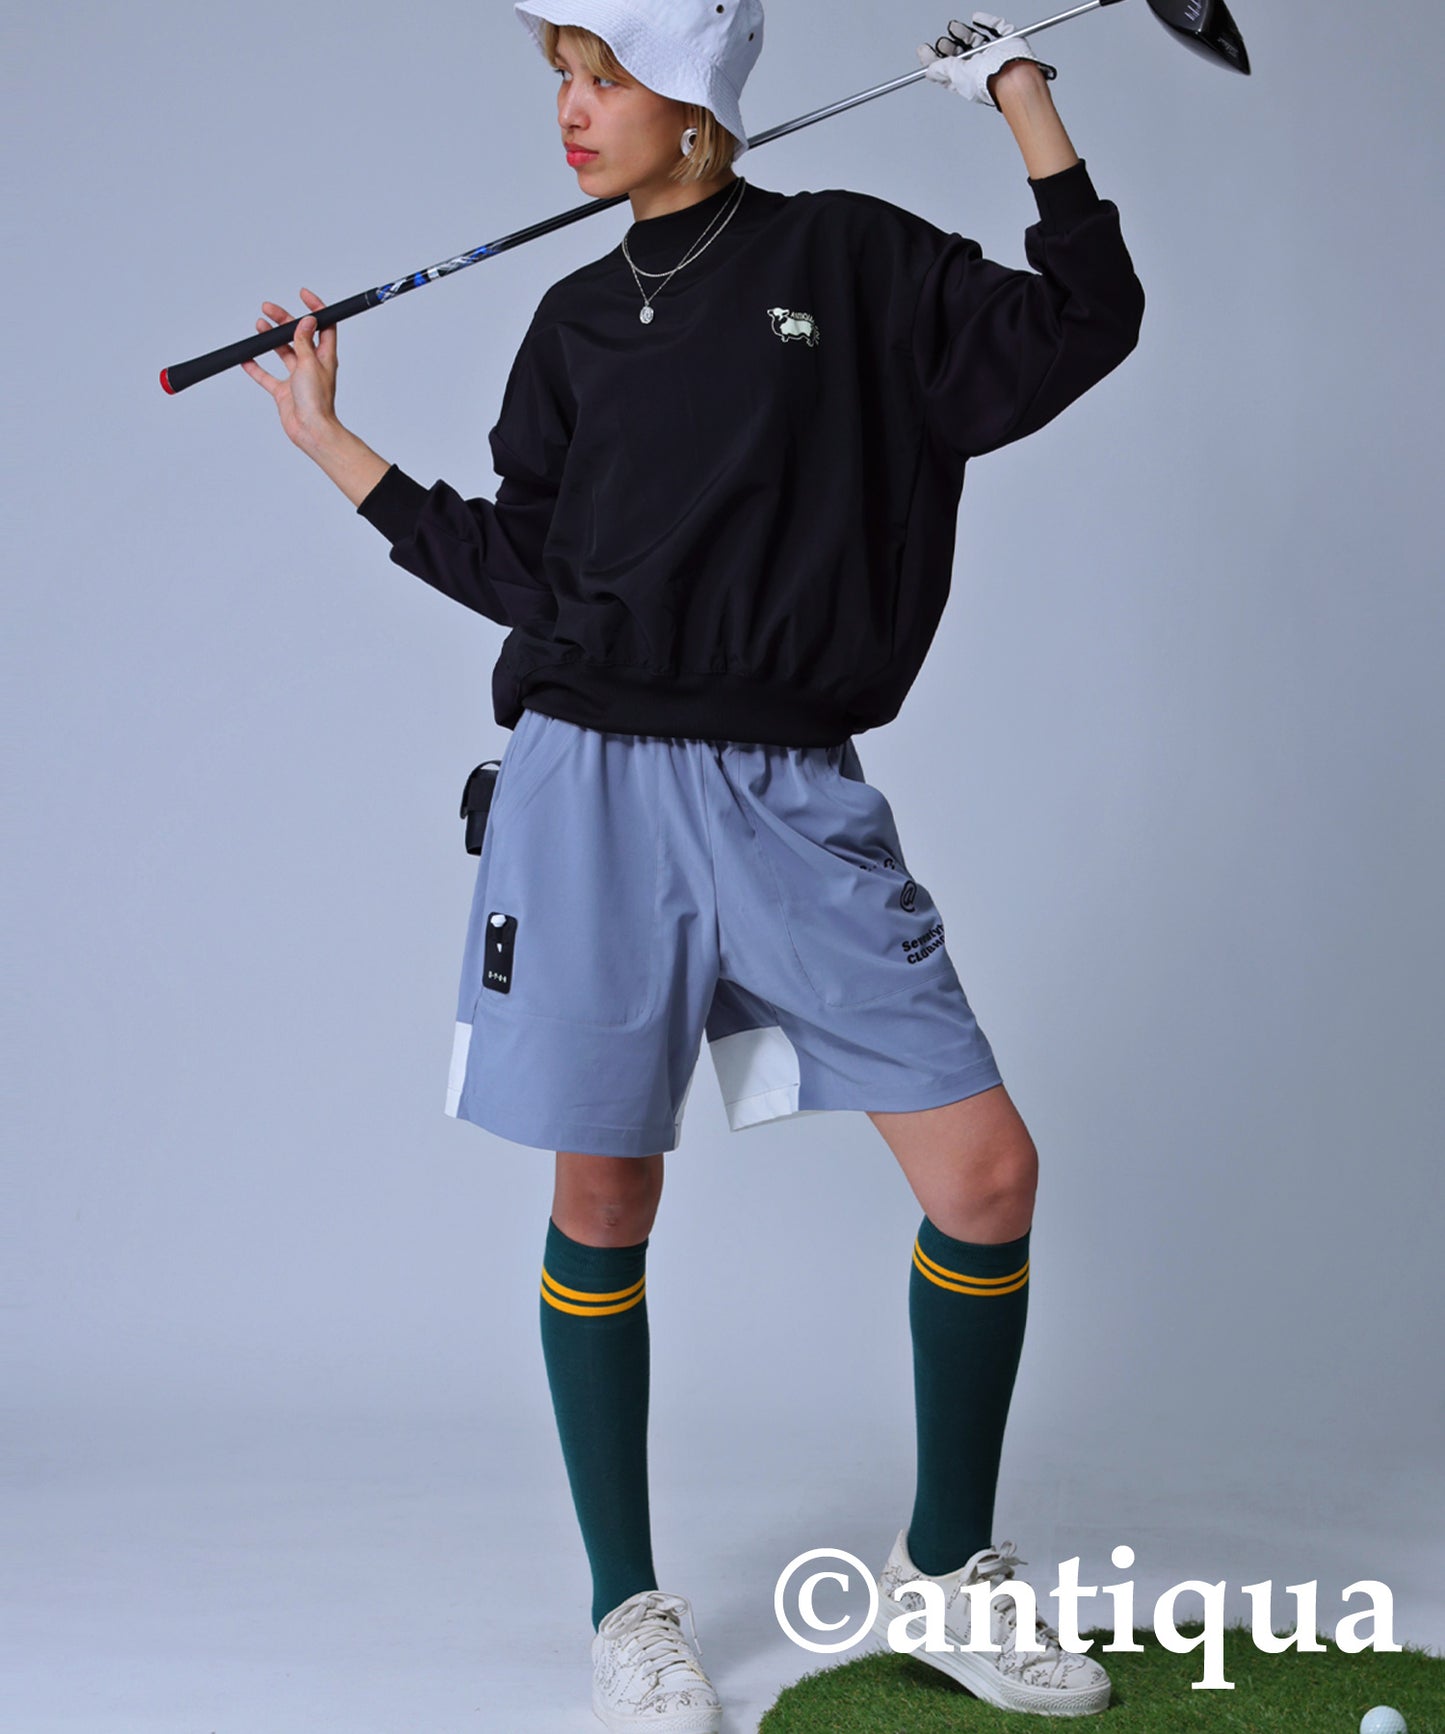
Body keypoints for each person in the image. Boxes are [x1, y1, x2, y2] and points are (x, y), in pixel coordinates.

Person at [242, 3, 1144, 1725]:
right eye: (564, 80)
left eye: (606, 76)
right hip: (582, 791)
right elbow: (524, 569)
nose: (574, 111)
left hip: (790, 791)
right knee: (604, 1199)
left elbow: (1085, 320)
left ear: (696, 101)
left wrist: (1021, 98)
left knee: (984, 1175)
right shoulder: (572, 322)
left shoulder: (847, 257)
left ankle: (946, 1568)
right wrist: (335, 447)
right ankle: (627, 1606)